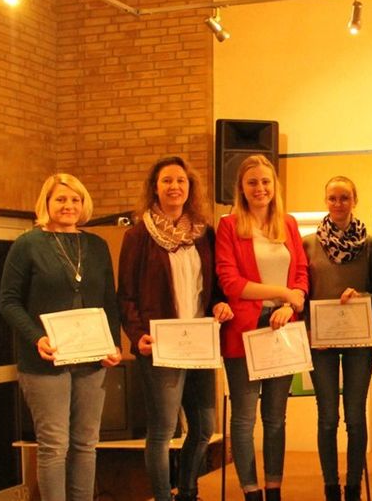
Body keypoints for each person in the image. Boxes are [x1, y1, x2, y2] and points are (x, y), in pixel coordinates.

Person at [0, 173, 122, 501]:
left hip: (92, 360)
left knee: (86, 444)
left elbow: (110, 301)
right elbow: (8, 302)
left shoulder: (96, 246)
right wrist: (36, 338)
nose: (68, 205)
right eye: (61, 199)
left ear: (83, 205)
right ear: (47, 203)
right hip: (44, 361)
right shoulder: (28, 244)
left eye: (75, 200)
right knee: (54, 445)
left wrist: (114, 345)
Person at [117, 156, 234, 501]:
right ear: (155, 187)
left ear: (189, 187)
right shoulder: (138, 235)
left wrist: (220, 304)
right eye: (167, 180)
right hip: (160, 347)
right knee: (163, 430)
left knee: (204, 427)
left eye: (181, 181)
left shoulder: (203, 233)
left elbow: (214, 287)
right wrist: (138, 337)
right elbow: (126, 295)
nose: (175, 187)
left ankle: (187, 491)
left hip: (199, 343)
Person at [215, 154, 308, 501]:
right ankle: (250, 490)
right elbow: (231, 282)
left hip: (283, 326)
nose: (260, 188)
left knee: (275, 417)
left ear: (274, 186)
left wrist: (289, 302)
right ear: (241, 186)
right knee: (243, 417)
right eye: (252, 182)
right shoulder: (229, 225)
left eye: (266, 182)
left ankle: (273, 489)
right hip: (244, 330)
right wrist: (283, 293)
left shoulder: (288, 223)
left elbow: (301, 272)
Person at [303, 176, 372, 501]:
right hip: (322, 343)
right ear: (325, 201)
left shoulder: (371, 245)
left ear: (354, 200)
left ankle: (354, 486)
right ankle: (331, 485)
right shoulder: (307, 243)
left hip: (360, 340)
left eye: (344, 197)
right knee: (328, 416)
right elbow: (301, 291)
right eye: (332, 198)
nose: (338, 203)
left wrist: (362, 295)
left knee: (355, 417)